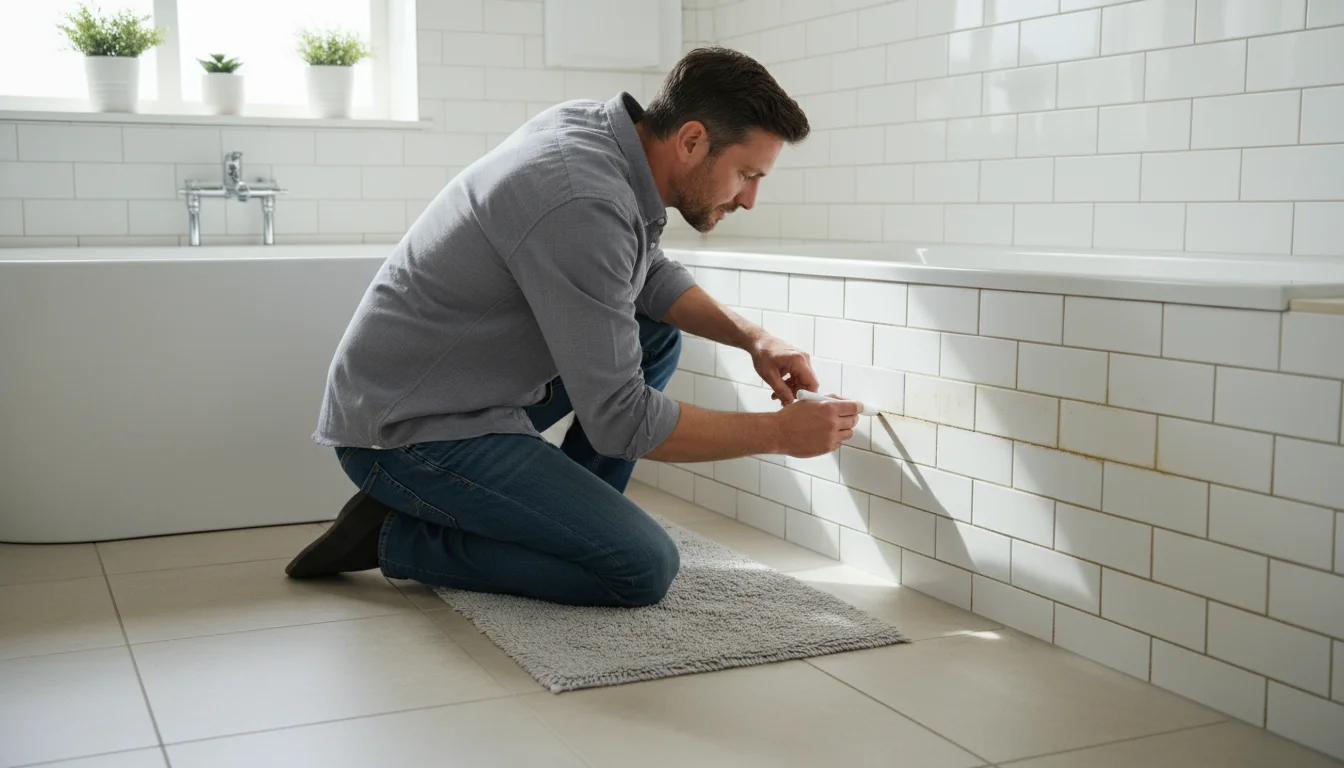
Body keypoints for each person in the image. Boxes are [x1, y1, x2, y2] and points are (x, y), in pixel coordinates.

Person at [285, 47, 863, 607]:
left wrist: (753, 338)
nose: (751, 199)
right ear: (691, 140)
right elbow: (622, 421)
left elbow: (642, 271)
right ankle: (393, 536)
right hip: (409, 430)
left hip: (453, 387)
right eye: (746, 174)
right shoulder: (581, 198)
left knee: (653, 335)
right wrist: (782, 433)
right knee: (640, 567)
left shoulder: (597, 132)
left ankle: (561, 519)